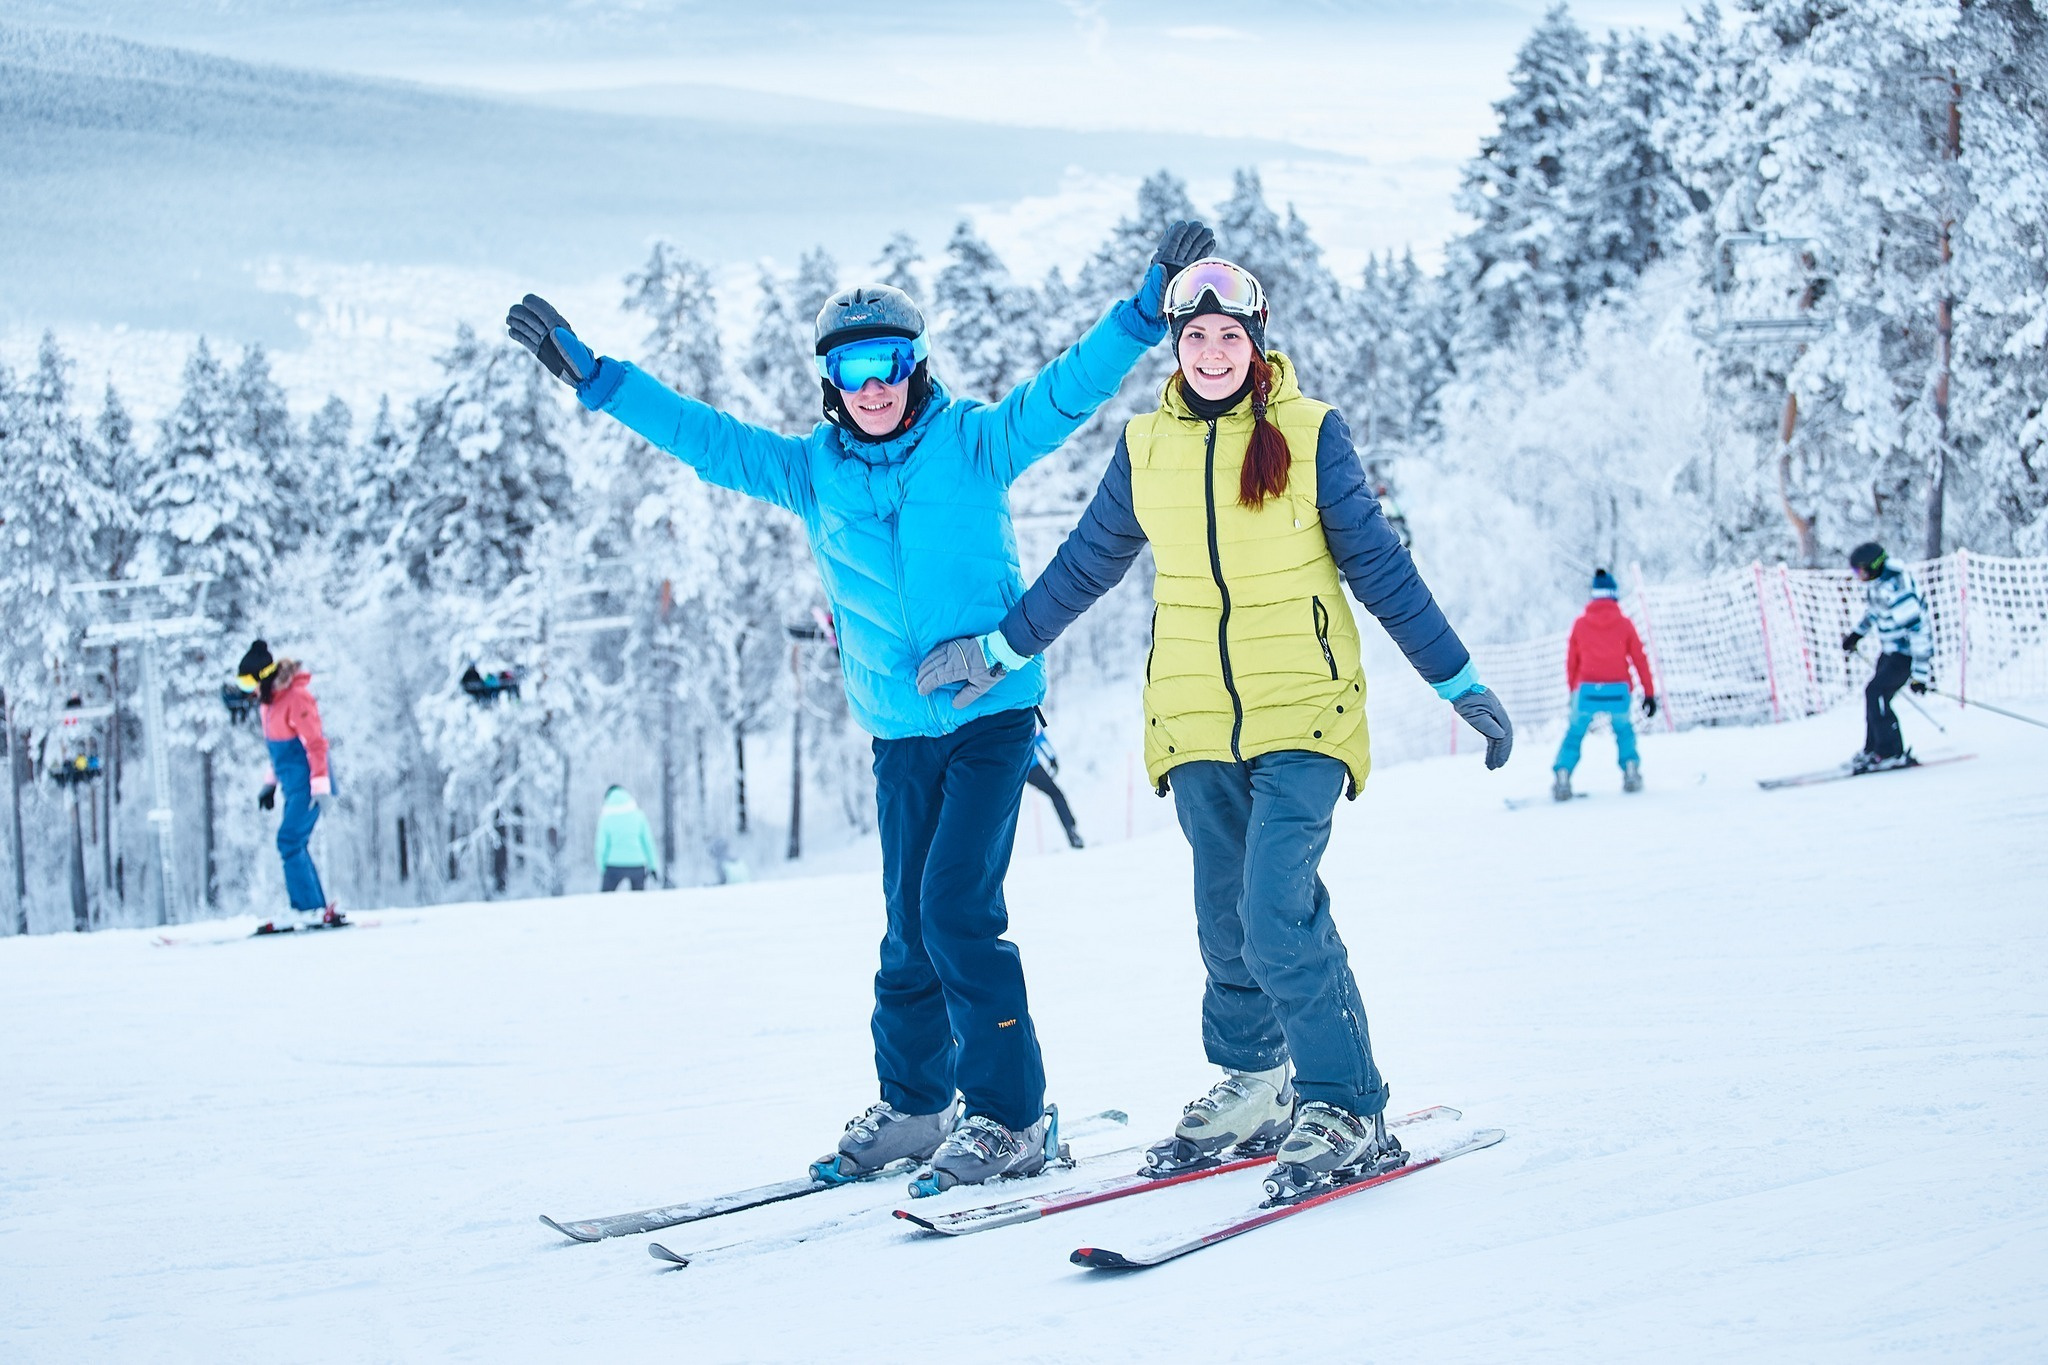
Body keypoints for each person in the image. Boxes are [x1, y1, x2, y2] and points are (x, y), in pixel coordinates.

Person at [507, 218, 1217, 1191]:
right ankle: (920, 1106)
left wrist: (1142, 315)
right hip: (897, 734)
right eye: (851, 369)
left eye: (888, 361)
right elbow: (703, 438)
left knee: (955, 911)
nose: (873, 384)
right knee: (904, 926)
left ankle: (1012, 1117)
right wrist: (597, 380)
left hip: (989, 715)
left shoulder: (971, 444)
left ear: (915, 364)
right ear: (829, 383)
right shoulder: (810, 472)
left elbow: (1065, 391)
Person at [917, 257, 1513, 1200]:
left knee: (1278, 909)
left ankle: (1345, 1099)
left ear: (1257, 338)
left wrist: (1457, 677)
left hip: (1305, 710)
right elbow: (1083, 567)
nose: (1210, 352)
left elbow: (1381, 569)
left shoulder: (1311, 435)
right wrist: (999, 648)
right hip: (1196, 719)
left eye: (1228, 335)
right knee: (1224, 920)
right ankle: (1254, 1079)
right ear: (1176, 344)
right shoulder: (1146, 446)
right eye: (1193, 335)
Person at [235, 640, 342, 933]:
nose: (249, 692)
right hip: (293, 784)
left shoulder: (296, 698)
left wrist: (320, 788)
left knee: (289, 840)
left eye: (249, 684)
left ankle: (309, 908)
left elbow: (315, 745)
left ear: (263, 678)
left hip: (310, 783)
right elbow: (280, 752)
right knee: (293, 842)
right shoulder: (269, 705)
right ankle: (314, 907)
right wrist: (269, 785)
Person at [1551, 568, 1658, 800]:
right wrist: (1649, 693)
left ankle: (1562, 774)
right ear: (1614, 595)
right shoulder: (1624, 624)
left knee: (1575, 733)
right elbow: (1639, 659)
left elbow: (1571, 662)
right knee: (1623, 730)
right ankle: (1630, 770)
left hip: (1587, 691)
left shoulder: (1580, 624)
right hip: (1618, 692)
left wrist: (1573, 691)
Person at [1842, 541, 1931, 773]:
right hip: (1890, 650)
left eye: (1858, 571)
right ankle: (1874, 749)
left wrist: (1921, 674)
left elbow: (1919, 632)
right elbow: (1874, 613)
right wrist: (1856, 635)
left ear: (1873, 567)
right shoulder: (1879, 584)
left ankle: (1891, 752)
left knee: (1876, 693)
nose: (1857, 576)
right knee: (1874, 695)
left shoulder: (1898, 590)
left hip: (1905, 654)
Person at [1025, 717, 1083, 849]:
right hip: (1029, 765)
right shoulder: (1028, 703)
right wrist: (1051, 757)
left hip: (1008, 765)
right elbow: (1039, 736)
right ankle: (1071, 831)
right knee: (1056, 794)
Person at [595, 785, 659, 891]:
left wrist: (602, 868)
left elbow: (600, 845)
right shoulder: (639, 815)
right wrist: (653, 866)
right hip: (637, 864)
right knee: (639, 903)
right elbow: (648, 842)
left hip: (613, 865)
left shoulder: (605, 817)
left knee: (604, 902)